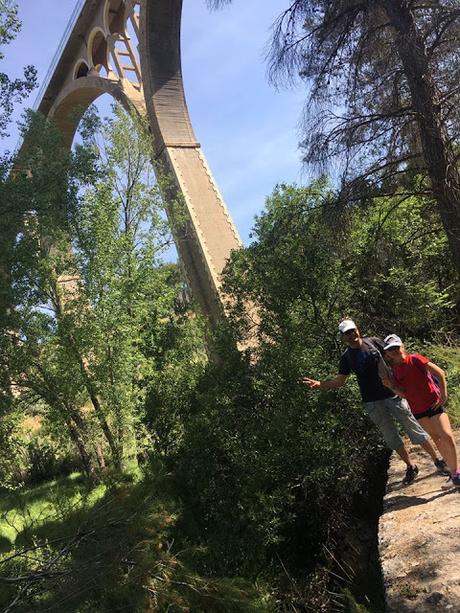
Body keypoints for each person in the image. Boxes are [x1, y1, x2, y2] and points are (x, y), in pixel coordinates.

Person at [302, 319, 449, 483]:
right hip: (372, 402)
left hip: (393, 394)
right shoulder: (347, 357)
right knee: (391, 436)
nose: (352, 335)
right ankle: (410, 466)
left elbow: (393, 357)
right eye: (347, 333)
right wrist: (321, 384)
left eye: (353, 331)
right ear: (343, 337)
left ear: (358, 329)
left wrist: (402, 379)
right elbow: (340, 381)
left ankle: (437, 460)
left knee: (413, 427)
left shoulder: (373, 343)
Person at [382, 334, 460, 489]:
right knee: (437, 438)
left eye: (396, 347)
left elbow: (440, 373)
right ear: (387, 353)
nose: (395, 351)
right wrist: (390, 386)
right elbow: (405, 394)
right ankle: (454, 474)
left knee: (447, 435)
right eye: (391, 349)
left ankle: (457, 473)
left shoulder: (415, 358)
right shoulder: (394, 371)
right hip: (418, 409)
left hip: (433, 404)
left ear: (402, 346)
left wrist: (443, 396)